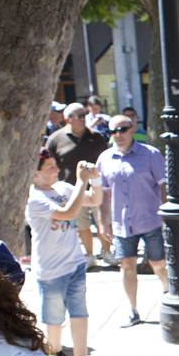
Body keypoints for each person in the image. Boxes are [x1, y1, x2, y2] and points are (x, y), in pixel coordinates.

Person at [27, 151, 106, 356]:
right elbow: (68, 213)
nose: (55, 170)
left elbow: (94, 200)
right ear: (35, 173)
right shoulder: (34, 199)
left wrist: (95, 178)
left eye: (55, 165)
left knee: (80, 313)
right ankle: (54, 354)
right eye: (49, 167)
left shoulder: (63, 188)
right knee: (54, 318)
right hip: (50, 269)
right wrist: (81, 180)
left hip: (75, 263)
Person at [95, 114, 169, 327]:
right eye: (113, 131)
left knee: (158, 264)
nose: (118, 135)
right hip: (121, 223)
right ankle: (133, 310)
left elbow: (163, 186)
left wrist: (166, 216)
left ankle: (166, 293)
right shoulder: (105, 159)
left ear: (132, 128)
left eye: (123, 129)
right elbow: (104, 195)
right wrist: (103, 222)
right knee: (127, 265)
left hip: (151, 219)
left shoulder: (150, 154)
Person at [45, 103, 110, 268]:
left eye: (84, 115)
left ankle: (107, 251)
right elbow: (49, 163)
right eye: (78, 116)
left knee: (102, 220)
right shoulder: (56, 138)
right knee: (82, 225)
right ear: (67, 119)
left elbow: (106, 161)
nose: (83, 118)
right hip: (72, 190)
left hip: (96, 187)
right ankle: (89, 255)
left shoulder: (97, 137)